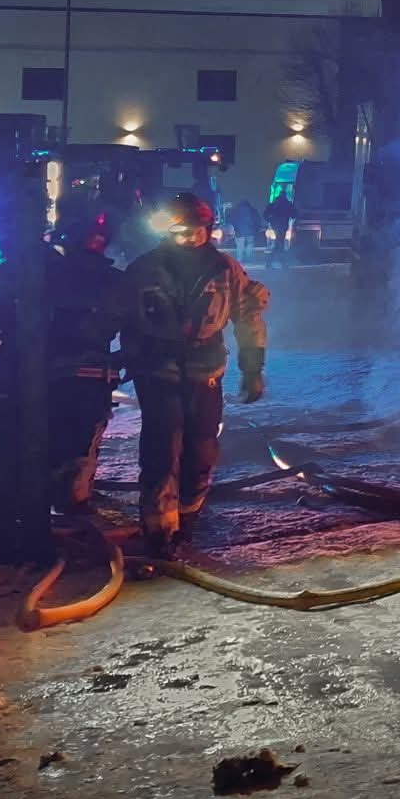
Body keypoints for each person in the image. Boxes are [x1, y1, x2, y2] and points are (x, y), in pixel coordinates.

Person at [119, 193, 268, 557]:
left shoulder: (226, 270)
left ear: (208, 229)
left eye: (194, 231)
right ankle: (158, 530)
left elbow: (248, 319)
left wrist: (252, 369)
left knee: (201, 449)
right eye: (179, 232)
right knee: (162, 448)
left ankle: (187, 522)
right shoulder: (145, 269)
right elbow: (121, 315)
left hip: (206, 371)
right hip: (158, 371)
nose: (187, 238)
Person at [40, 210, 126, 512]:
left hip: (59, 371)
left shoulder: (48, 276)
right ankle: (73, 499)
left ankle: (64, 495)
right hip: (88, 373)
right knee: (82, 439)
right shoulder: (113, 280)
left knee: (61, 436)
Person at [262, 190, 296, 264]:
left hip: (274, 225)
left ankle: (274, 260)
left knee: (277, 242)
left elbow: (265, 214)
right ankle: (280, 260)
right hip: (283, 226)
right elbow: (294, 214)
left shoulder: (274, 203)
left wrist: (270, 220)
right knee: (280, 242)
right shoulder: (288, 204)